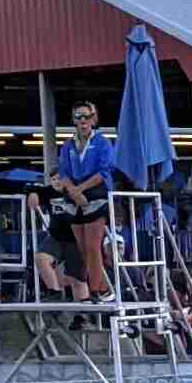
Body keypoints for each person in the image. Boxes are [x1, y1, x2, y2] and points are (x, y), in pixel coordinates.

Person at [51, 99, 119, 300]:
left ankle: (96, 288)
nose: (83, 121)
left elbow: (105, 171)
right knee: (82, 248)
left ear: (93, 119)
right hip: (73, 197)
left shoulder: (103, 143)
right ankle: (102, 286)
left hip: (95, 193)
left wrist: (81, 189)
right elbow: (63, 173)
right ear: (73, 120)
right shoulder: (68, 145)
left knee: (92, 245)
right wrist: (73, 192)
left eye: (86, 117)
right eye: (78, 117)